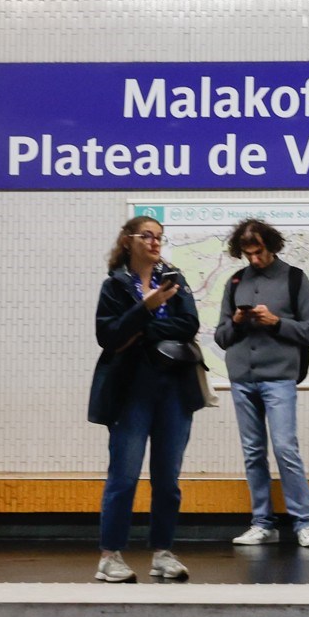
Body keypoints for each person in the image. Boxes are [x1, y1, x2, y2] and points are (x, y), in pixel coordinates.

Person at [89, 215, 203, 583]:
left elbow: (188, 325)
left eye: (159, 237)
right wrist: (145, 307)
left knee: (167, 478)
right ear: (128, 241)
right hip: (130, 390)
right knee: (123, 476)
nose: (155, 243)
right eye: (147, 236)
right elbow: (108, 335)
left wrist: (141, 326)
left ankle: (163, 552)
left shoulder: (175, 279)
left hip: (174, 389)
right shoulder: (115, 285)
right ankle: (110, 555)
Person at [216, 218, 309, 548]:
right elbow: (221, 337)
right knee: (252, 452)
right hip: (242, 379)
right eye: (248, 254)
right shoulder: (235, 282)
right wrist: (236, 322)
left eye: (259, 252)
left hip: (279, 377)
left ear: (271, 246)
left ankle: (304, 523)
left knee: (284, 448)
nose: (254, 260)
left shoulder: (294, 279)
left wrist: (276, 322)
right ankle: (262, 523)